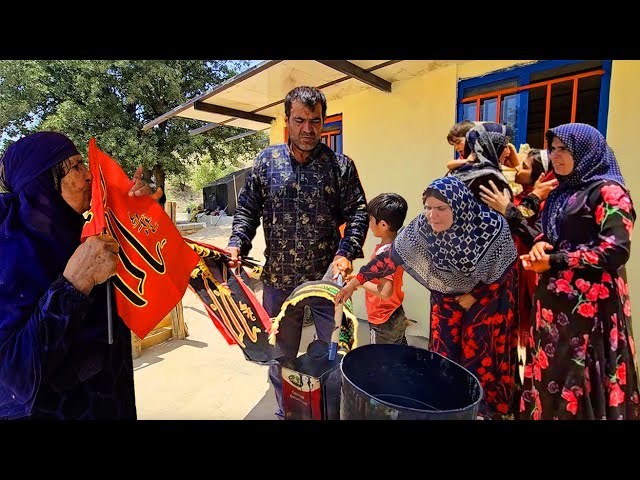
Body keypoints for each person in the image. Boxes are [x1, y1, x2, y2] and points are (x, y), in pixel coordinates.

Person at [226, 86, 368, 419]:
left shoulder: (339, 166)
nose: (308, 129)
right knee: (280, 356)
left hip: (327, 282)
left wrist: (346, 251)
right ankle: (287, 411)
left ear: (323, 121)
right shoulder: (266, 162)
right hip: (279, 281)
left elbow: (359, 211)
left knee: (338, 355)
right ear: (287, 120)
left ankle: (331, 412)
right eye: (300, 120)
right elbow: (247, 209)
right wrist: (237, 243)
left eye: (315, 121)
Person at [0, 131, 156, 420]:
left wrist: (139, 214)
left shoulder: (83, 232)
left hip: (110, 398)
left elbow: (145, 277)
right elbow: (14, 374)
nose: (89, 177)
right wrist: (73, 285)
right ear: (43, 184)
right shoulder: (9, 255)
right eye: (76, 167)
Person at [336, 176, 519, 419]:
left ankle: (480, 411)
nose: (432, 215)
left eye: (441, 209)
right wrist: (355, 283)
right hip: (445, 303)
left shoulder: (490, 228)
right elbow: (391, 256)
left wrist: (475, 294)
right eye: (428, 207)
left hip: (484, 304)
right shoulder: (422, 227)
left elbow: (506, 272)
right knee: (443, 360)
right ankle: (447, 409)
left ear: (459, 206)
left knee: (478, 361)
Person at [519, 123, 640, 420]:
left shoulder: (609, 193)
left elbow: (615, 250)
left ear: (586, 152)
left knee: (582, 379)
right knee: (552, 376)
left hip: (590, 313)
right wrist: (540, 247)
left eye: (565, 149)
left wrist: (557, 261)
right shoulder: (562, 192)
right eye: (554, 149)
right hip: (553, 309)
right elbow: (550, 235)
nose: (556, 156)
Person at [353, 193, 409, 345]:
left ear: (383, 225)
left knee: (380, 361)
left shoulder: (385, 254)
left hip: (383, 319)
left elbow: (385, 292)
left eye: (370, 220)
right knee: (399, 354)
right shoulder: (397, 244)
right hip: (396, 312)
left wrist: (359, 281)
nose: (369, 223)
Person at [449, 121, 519, 203]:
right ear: (493, 146)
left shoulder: (462, 169)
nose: (508, 151)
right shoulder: (489, 178)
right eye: (505, 146)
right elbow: (507, 212)